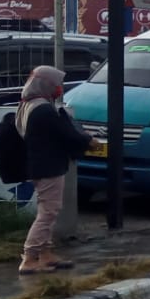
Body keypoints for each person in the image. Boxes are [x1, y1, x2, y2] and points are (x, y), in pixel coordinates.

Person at [16, 65, 94, 275]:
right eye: (56, 84)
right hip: (48, 166)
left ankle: (46, 254)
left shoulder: (28, 104)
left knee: (47, 209)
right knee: (48, 212)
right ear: (45, 85)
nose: (59, 88)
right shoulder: (43, 110)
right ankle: (30, 257)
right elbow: (66, 134)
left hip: (39, 164)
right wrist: (89, 141)